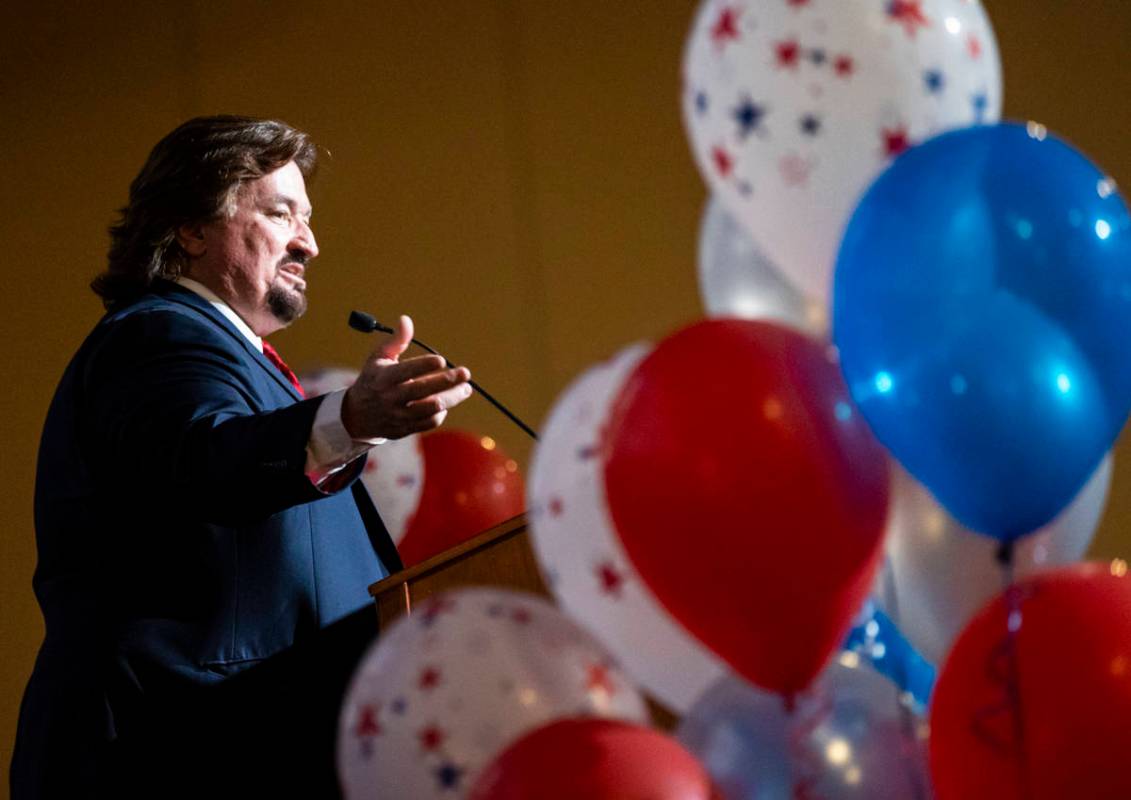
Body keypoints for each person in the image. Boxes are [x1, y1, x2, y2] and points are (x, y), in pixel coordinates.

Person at [10, 115, 474, 799]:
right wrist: (348, 418)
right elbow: (205, 461)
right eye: (281, 213)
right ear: (192, 229)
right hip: (173, 748)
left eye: (308, 218)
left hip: (249, 740)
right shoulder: (158, 334)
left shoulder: (228, 355)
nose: (310, 243)